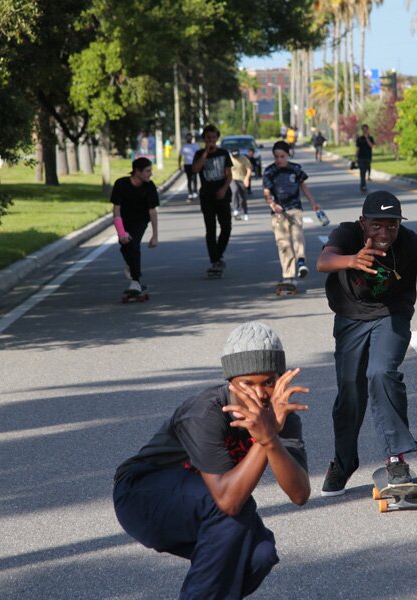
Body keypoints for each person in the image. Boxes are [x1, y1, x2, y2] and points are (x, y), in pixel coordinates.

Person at [113, 321, 310, 600]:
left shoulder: (280, 419)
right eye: (247, 383)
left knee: (260, 554)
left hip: (202, 504)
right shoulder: (206, 412)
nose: (259, 393)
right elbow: (228, 500)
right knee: (233, 509)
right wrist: (266, 439)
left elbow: (300, 493)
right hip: (143, 496)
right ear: (230, 381)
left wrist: (273, 438)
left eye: (268, 382)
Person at [316, 191, 417, 495]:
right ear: (363, 222)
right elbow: (324, 261)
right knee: (350, 393)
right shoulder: (347, 233)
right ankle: (343, 461)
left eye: (391, 225)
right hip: (350, 319)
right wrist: (351, 260)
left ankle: (396, 459)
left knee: (381, 373)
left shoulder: (408, 242)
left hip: (392, 315)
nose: (385, 233)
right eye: (377, 225)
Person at [263, 141, 322, 288]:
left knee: (297, 236)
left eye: (282, 156)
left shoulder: (296, 169)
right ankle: (288, 276)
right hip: (278, 213)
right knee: (283, 243)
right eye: (276, 157)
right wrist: (272, 204)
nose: (279, 160)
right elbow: (266, 192)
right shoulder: (270, 171)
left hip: (295, 209)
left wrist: (313, 203)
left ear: (288, 155)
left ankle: (301, 261)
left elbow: (304, 187)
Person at [112, 157, 159, 296]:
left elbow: (152, 211)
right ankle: (133, 268)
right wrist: (121, 233)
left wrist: (155, 236)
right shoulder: (121, 184)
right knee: (124, 246)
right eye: (147, 171)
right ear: (137, 171)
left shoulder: (149, 186)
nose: (150, 174)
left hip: (140, 221)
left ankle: (136, 281)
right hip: (124, 221)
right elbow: (116, 209)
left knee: (133, 245)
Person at [192, 124, 233, 274]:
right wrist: (205, 154)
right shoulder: (199, 154)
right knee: (211, 229)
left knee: (226, 227)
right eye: (208, 138)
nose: (211, 141)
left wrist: (223, 189)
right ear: (204, 139)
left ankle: (218, 253)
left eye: (213, 138)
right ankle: (214, 260)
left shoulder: (223, 153)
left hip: (222, 195)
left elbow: (229, 175)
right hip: (207, 196)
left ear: (217, 138)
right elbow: (195, 170)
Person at [229, 149, 252, 221]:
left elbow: (249, 169)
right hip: (232, 178)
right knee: (234, 190)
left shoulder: (243, 159)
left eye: (237, 156)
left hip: (242, 178)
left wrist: (247, 179)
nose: (236, 157)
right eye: (234, 156)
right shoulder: (229, 159)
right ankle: (235, 209)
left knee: (242, 197)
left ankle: (245, 212)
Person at [178, 133, 200, 201]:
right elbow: (180, 155)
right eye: (188, 137)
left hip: (194, 164)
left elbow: (199, 155)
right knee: (189, 179)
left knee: (194, 178)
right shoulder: (184, 146)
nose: (189, 139)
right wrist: (179, 165)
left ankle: (195, 191)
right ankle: (190, 193)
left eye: (190, 137)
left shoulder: (195, 145)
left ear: (192, 138)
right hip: (187, 165)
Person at [355, 124, 376, 193]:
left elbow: (372, 146)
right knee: (362, 172)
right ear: (362, 130)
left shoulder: (371, 138)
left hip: (368, 157)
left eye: (366, 129)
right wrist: (356, 157)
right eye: (363, 129)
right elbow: (357, 148)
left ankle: (365, 182)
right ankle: (363, 186)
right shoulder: (359, 138)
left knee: (366, 170)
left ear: (368, 130)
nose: (364, 131)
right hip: (361, 157)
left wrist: (367, 138)